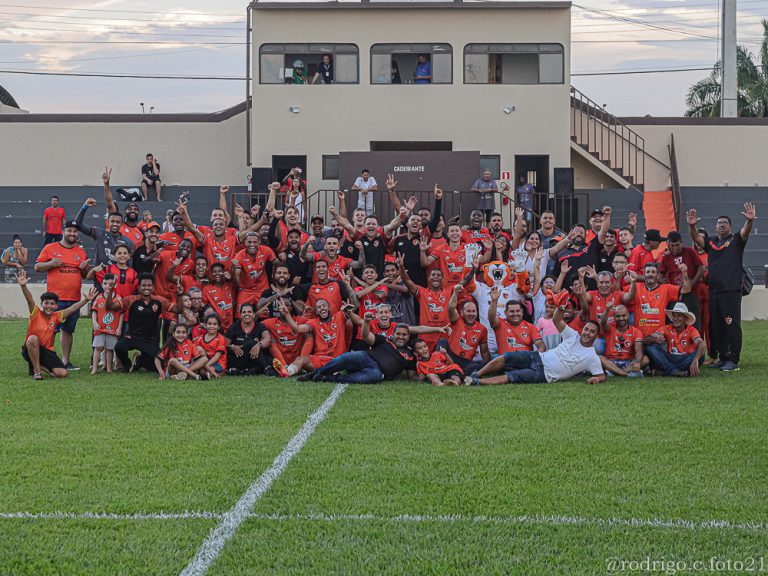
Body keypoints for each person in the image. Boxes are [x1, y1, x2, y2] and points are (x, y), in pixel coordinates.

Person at [465, 302, 605, 386]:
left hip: (544, 374)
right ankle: (477, 374)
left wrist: (597, 379)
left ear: (596, 336)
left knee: (513, 376)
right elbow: (556, 320)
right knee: (506, 357)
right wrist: (561, 307)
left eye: (592, 332)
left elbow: (601, 375)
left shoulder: (592, 356)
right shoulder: (573, 335)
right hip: (538, 357)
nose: (587, 333)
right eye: (586, 329)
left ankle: (478, 382)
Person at [687, 203, 755, 372]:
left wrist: (749, 221)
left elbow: (745, 232)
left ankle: (733, 360)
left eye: (725, 223)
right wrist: (692, 226)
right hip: (714, 291)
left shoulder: (736, 240)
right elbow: (697, 239)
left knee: (731, 324)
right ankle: (723, 357)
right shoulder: (711, 243)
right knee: (717, 327)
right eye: (719, 223)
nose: (722, 225)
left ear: (730, 226)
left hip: (731, 291)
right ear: (715, 227)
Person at [16, 269, 96, 380]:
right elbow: (29, 300)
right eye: (46, 303)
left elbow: (72, 308)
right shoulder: (36, 313)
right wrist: (23, 286)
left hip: (47, 351)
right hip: (30, 347)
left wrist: (86, 300)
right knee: (33, 338)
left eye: (52, 304)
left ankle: (38, 366)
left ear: (56, 306)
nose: (49, 306)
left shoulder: (57, 316)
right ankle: (37, 373)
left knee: (63, 373)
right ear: (42, 304)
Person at [34, 220, 90, 370]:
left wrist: (84, 269)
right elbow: (37, 266)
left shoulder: (80, 251)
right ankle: (47, 360)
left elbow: (85, 275)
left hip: (74, 299)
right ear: (63, 231)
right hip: (55, 300)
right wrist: (51, 264)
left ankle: (65, 362)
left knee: (68, 330)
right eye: (69, 230)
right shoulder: (50, 248)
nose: (72, 233)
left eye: (75, 231)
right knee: (50, 330)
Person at [303, 314, 416, 383]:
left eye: (404, 335)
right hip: (366, 358)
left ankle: (327, 378)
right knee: (348, 357)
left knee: (371, 377)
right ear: (393, 334)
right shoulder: (384, 340)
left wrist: (419, 377)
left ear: (408, 337)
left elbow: (411, 376)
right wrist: (366, 322)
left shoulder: (410, 355)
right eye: (398, 334)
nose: (401, 337)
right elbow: (366, 336)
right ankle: (315, 373)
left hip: (378, 372)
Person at [113, 274, 177, 373]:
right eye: (144, 285)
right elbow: (111, 306)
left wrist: (180, 294)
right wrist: (111, 291)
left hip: (149, 340)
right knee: (119, 347)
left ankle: (140, 361)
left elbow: (178, 309)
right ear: (139, 287)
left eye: (149, 285)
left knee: (158, 367)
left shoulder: (159, 301)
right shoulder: (131, 299)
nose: (146, 288)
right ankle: (127, 365)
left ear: (153, 287)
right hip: (133, 337)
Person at [644, 302, 706, 377]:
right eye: (674, 315)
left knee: (701, 355)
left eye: (679, 316)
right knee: (650, 347)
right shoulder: (666, 328)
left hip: (685, 358)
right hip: (670, 358)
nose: (675, 318)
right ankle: (675, 372)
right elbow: (645, 339)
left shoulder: (692, 330)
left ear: (685, 318)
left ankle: (665, 372)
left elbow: (701, 343)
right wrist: (654, 339)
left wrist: (695, 360)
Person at [75, 198, 134, 266]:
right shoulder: (99, 233)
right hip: (101, 272)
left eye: (118, 222)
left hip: (118, 272)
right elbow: (78, 224)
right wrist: (85, 207)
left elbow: (128, 265)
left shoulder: (128, 242)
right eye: (112, 221)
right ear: (108, 222)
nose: (115, 224)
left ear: (122, 223)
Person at [225, 303, 275, 376]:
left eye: (249, 312)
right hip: (238, 357)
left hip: (253, 358)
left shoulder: (260, 326)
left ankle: (245, 371)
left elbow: (268, 339)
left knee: (270, 360)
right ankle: (267, 368)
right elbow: (225, 344)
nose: (246, 314)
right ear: (241, 315)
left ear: (254, 314)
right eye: (244, 312)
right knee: (252, 343)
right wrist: (232, 347)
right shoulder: (234, 327)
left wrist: (259, 345)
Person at [598, 302, 645, 378]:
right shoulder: (610, 328)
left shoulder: (636, 332)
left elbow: (638, 350)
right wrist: (607, 309)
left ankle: (614, 373)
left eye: (623, 315)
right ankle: (627, 374)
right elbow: (603, 322)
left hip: (628, 362)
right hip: (612, 361)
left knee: (645, 359)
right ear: (614, 317)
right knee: (600, 358)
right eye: (618, 316)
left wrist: (637, 361)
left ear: (628, 315)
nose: (621, 318)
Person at [90, 273, 122, 374]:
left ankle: (109, 368)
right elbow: (94, 311)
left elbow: (121, 313)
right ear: (102, 284)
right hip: (100, 328)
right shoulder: (98, 297)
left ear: (115, 285)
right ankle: (94, 368)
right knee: (98, 348)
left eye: (110, 284)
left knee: (110, 349)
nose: (107, 286)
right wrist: (94, 322)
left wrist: (119, 328)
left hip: (112, 328)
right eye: (105, 284)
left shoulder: (118, 298)